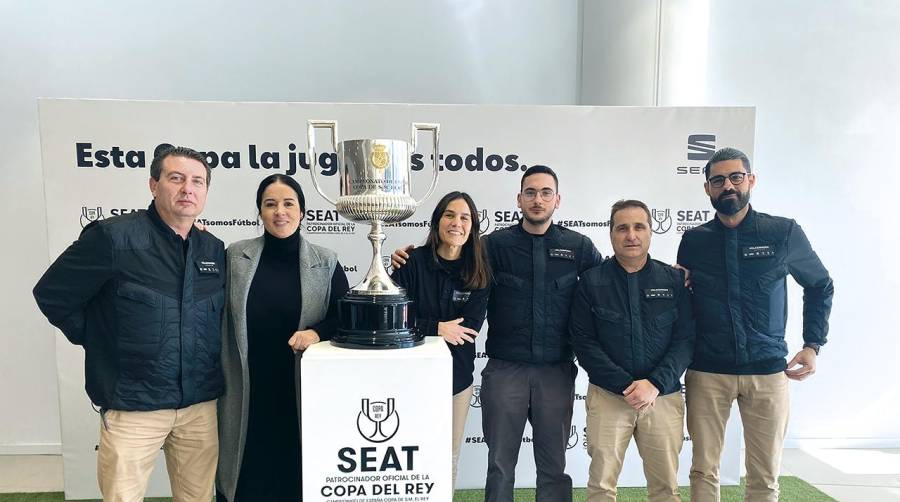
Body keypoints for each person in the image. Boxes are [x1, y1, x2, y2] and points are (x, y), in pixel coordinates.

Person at [393, 165, 603, 502]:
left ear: (558, 200)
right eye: (530, 193)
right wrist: (407, 257)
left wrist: (665, 275)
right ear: (519, 199)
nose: (538, 199)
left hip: (557, 371)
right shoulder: (491, 247)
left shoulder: (579, 247)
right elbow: (447, 261)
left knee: (553, 467)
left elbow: (609, 283)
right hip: (506, 370)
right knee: (500, 465)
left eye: (546, 192)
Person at [33, 146, 224, 502]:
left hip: (199, 407)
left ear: (206, 192)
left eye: (197, 181)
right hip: (133, 406)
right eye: (176, 178)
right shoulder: (112, 238)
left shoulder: (212, 249)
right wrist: (100, 339)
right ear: (154, 185)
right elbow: (52, 294)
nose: (188, 189)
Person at [677, 147, 834, 501]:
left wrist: (812, 344)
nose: (728, 186)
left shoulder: (782, 232)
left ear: (751, 180)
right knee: (703, 470)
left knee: (764, 477)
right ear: (707, 189)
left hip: (767, 373)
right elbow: (684, 299)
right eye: (718, 180)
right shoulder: (694, 240)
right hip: (707, 372)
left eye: (736, 177)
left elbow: (820, 283)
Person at [216, 174, 349, 502]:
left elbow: (345, 317)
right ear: (260, 212)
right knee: (245, 476)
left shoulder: (326, 260)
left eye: (288, 203)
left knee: (296, 474)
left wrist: (316, 333)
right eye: (270, 204)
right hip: (246, 386)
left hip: (299, 388)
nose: (280, 212)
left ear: (302, 211)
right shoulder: (235, 256)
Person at [570, 199, 694, 502]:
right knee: (601, 487)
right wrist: (626, 385)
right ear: (611, 234)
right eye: (622, 228)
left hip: (662, 397)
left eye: (639, 227)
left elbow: (685, 340)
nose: (631, 235)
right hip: (609, 397)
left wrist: (654, 384)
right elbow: (583, 342)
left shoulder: (673, 280)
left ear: (651, 232)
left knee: (666, 488)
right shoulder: (590, 282)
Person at [389, 191, 490, 489]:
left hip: (456, 381)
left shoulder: (479, 272)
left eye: (464, 217)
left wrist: (422, 326)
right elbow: (395, 320)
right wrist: (437, 328)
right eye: (449, 215)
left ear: (472, 226)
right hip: (409, 378)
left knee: (448, 456)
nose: (456, 223)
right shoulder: (411, 263)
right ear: (437, 221)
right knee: (409, 454)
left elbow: (467, 330)